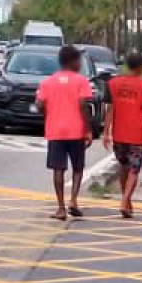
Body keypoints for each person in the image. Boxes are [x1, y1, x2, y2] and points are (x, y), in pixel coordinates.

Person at [35, 45, 99, 222]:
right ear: (72, 61)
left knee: (58, 169)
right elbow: (83, 105)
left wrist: (48, 113)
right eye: (78, 60)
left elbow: (39, 105)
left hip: (55, 131)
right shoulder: (81, 81)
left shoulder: (47, 82)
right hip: (76, 131)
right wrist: (88, 129)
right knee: (78, 168)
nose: (79, 63)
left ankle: (61, 207)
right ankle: (73, 200)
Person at [104, 51, 142, 218]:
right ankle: (125, 200)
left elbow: (109, 109)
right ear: (141, 67)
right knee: (134, 170)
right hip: (137, 135)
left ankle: (126, 202)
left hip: (118, 133)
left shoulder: (112, 84)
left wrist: (106, 132)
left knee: (123, 167)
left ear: (127, 65)